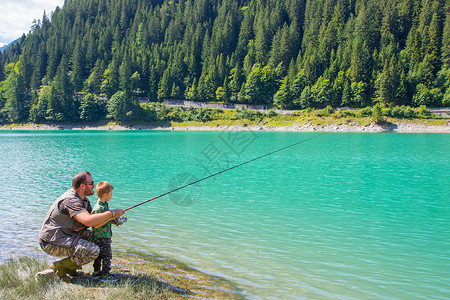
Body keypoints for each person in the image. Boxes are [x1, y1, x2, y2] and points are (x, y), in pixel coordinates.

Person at [37, 171, 125, 282]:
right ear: (82, 186)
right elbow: (88, 221)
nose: (94, 185)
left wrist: (112, 219)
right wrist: (112, 213)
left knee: (99, 238)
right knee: (93, 250)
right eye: (91, 183)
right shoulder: (71, 201)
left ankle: (73, 268)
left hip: (68, 235)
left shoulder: (83, 199)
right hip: (51, 242)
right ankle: (59, 267)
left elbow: (95, 218)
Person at [91, 181, 125, 282]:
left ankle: (96, 273)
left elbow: (105, 219)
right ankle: (106, 275)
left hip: (101, 237)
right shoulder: (99, 208)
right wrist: (111, 217)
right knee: (106, 256)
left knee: (99, 256)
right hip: (101, 237)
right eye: (111, 194)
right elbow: (96, 223)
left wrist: (114, 220)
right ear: (105, 195)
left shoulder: (104, 205)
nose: (112, 195)